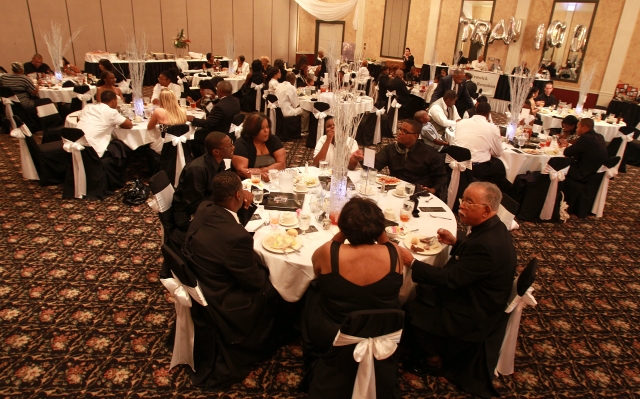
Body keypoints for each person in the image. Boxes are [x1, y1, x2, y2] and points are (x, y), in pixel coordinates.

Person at [400, 182, 517, 399]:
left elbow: (450, 278)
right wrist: (456, 242)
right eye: (463, 199)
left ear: (486, 210)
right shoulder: (494, 228)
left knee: (413, 304)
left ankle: (433, 360)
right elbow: (474, 258)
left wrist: (413, 262)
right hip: (480, 292)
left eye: (469, 202)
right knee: (424, 288)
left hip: (474, 310)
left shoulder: (487, 246)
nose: (461, 205)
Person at [181, 171, 280, 388]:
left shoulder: (205, 208)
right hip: (223, 301)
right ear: (238, 194)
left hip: (205, 277)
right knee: (276, 288)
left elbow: (228, 227)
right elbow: (253, 282)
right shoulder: (237, 238)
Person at [301, 197, 403, 361]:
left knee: (312, 291)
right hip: (382, 331)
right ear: (380, 227)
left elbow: (316, 270)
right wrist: (379, 231)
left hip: (334, 333)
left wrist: (343, 230)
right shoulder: (395, 253)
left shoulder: (329, 253)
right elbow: (387, 243)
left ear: (343, 227)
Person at [169, 132, 253, 249]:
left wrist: (240, 192)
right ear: (216, 151)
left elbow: (223, 186)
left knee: (246, 205)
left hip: (208, 205)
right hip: (189, 216)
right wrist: (230, 197)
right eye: (229, 146)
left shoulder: (219, 162)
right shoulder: (197, 169)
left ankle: (244, 239)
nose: (233, 148)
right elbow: (193, 205)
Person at [374, 120, 448, 199]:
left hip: (418, 193)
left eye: (405, 131)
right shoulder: (391, 149)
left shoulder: (429, 153)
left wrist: (433, 190)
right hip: (394, 190)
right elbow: (374, 165)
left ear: (415, 136)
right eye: (400, 129)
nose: (400, 133)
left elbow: (442, 176)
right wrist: (361, 159)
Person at [453, 102, 509, 191]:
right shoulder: (492, 128)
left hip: (455, 160)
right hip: (475, 167)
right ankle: (490, 194)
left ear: (475, 111)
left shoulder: (461, 122)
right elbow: (498, 153)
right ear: (488, 114)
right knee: (499, 166)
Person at [76, 90, 133, 158]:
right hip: (93, 148)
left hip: (77, 141)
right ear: (113, 101)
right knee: (121, 144)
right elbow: (129, 125)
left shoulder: (88, 107)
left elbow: (78, 119)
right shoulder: (111, 112)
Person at [232, 112, 286, 181]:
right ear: (252, 129)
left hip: (272, 179)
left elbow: (281, 164)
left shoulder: (273, 140)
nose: (266, 131)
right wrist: (262, 175)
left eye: (267, 127)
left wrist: (263, 170)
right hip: (248, 182)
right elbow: (242, 171)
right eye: (261, 128)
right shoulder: (241, 144)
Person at [561, 118, 608, 183]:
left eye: (578, 127)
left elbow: (567, 152)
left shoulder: (586, 138)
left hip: (583, 173)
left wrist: (567, 146)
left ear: (584, 127)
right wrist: (568, 145)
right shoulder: (600, 136)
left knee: (558, 165)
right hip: (596, 172)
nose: (576, 130)